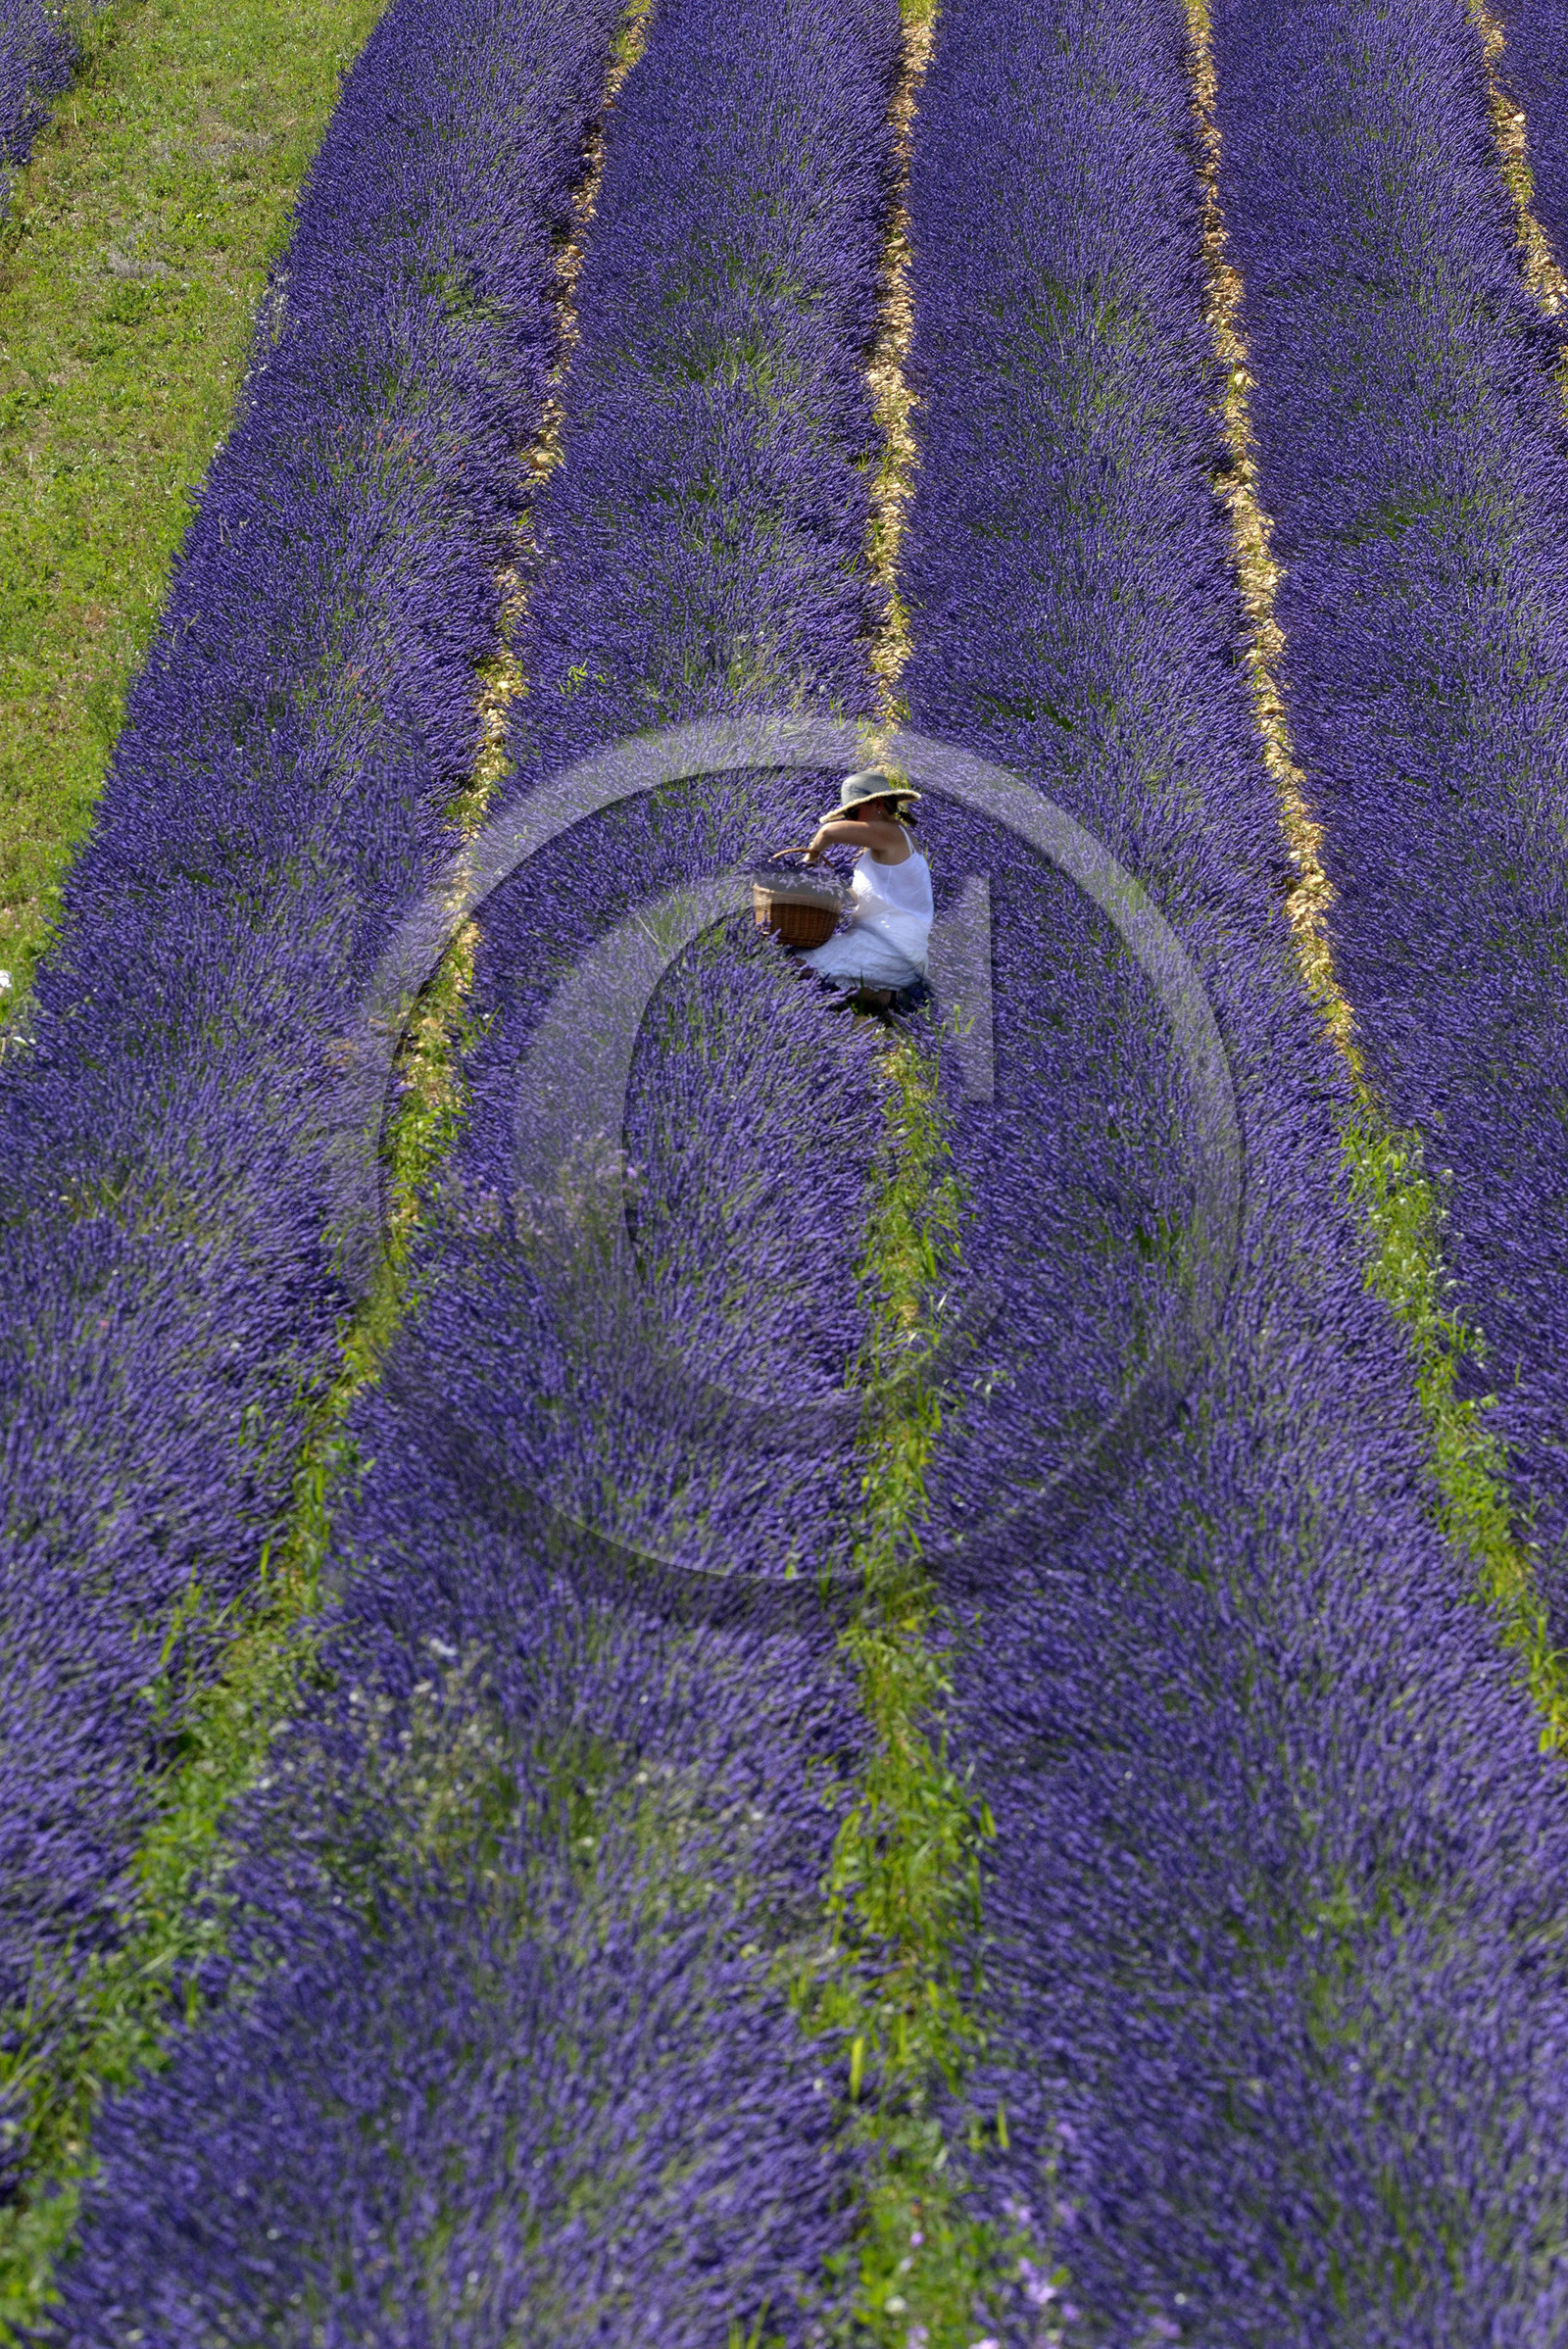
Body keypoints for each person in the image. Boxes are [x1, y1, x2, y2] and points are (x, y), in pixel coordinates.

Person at [791, 769, 932, 1012]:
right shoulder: (887, 842)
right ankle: (882, 995)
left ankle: (882, 994)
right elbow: (870, 895)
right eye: (847, 813)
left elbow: (827, 832)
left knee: (797, 966)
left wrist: (807, 866)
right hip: (885, 943)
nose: (850, 819)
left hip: (889, 948)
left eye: (853, 812)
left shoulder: (893, 834)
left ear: (878, 804)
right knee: (802, 957)